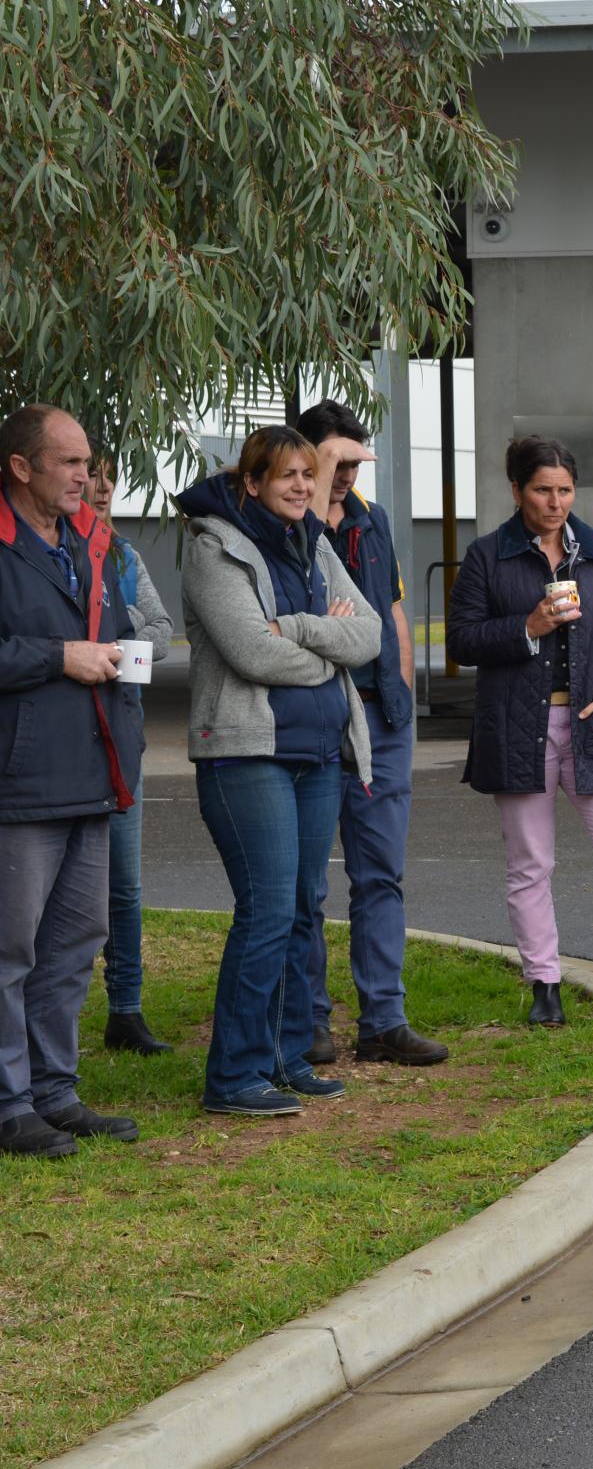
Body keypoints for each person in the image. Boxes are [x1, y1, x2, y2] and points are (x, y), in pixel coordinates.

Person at [179, 426, 380, 1118]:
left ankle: (288, 1057)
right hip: (246, 756)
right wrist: (326, 635)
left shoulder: (315, 541)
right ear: (251, 483)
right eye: (286, 476)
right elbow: (250, 653)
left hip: (318, 755)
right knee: (265, 910)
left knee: (301, 909)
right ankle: (233, 1074)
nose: (300, 486)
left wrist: (293, 628)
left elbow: (371, 634)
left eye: (306, 474)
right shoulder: (216, 546)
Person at [447, 436, 593, 1025]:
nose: (554, 502)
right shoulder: (486, 555)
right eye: (542, 489)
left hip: (591, 723)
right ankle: (543, 983)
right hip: (518, 726)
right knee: (530, 864)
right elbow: (462, 640)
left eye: (565, 490)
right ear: (518, 490)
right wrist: (527, 625)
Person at [0, 405, 143, 1155]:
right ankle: (9, 1102)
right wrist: (60, 656)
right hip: (20, 785)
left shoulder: (90, 543)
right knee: (10, 950)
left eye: (88, 461)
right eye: (70, 463)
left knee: (72, 943)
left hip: (95, 774)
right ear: (22, 468)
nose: (87, 475)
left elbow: (110, 636)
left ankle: (55, 1091)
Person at [293, 400, 448, 1067]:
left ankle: (383, 1019)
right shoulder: (284, 523)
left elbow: (390, 609)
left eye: (358, 463)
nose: (348, 475)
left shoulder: (371, 519)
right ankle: (307, 1022)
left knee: (380, 873)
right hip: (316, 717)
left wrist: (403, 693)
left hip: (383, 719)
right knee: (303, 884)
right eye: (338, 461)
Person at [86, 456, 175, 1057]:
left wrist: (115, 624)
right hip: (61, 746)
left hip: (122, 739)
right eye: (85, 474)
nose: (98, 488)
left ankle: (127, 1010)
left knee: (124, 887)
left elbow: (163, 635)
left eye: (106, 477)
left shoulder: (124, 556)